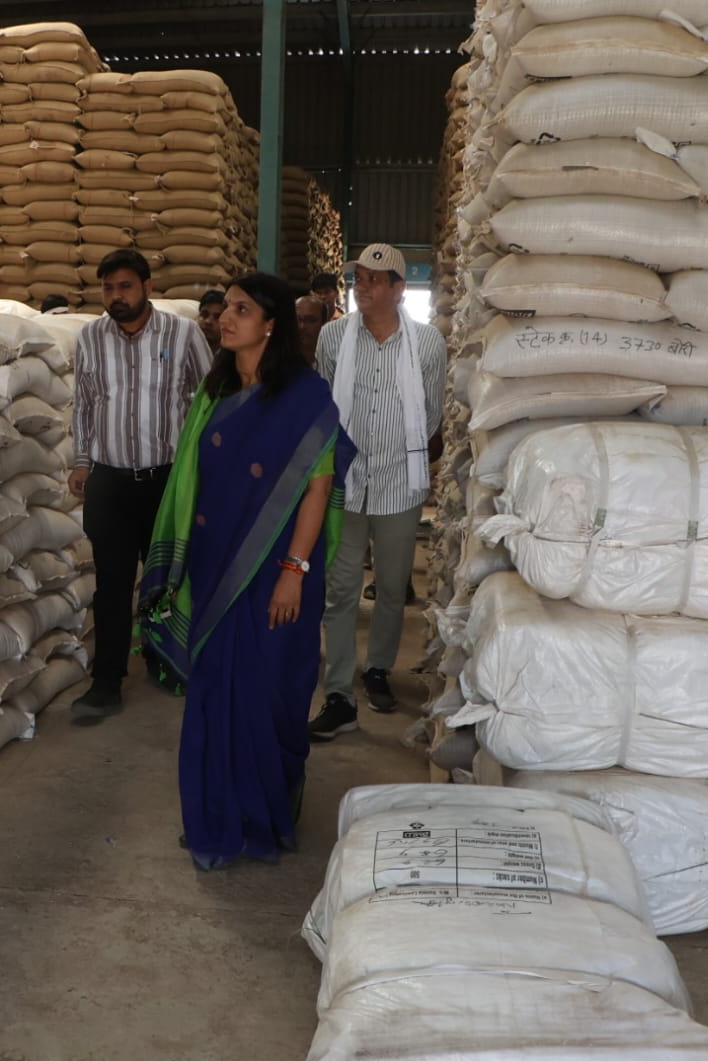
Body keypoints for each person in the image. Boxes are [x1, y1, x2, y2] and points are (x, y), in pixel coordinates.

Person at [139, 272, 356, 870]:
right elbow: (191, 479)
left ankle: (263, 817)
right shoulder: (213, 392)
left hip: (276, 568)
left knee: (269, 691)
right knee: (214, 691)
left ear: (270, 324)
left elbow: (318, 489)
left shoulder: (304, 396)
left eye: (241, 309)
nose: (225, 318)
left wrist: (294, 569)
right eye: (225, 308)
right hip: (214, 564)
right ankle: (214, 817)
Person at [308, 243, 447, 741]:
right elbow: (323, 404)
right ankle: (339, 693)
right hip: (345, 483)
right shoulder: (333, 336)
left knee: (391, 588)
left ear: (398, 289)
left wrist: (400, 451)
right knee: (341, 589)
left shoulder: (426, 343)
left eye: (373, 279)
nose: (361, 286)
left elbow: (431, 413)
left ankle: (378, 670)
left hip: (398, 485)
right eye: (358, 277)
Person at [69, 249, 213, 715]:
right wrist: (81, 461)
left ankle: (163, 658)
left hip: (164, 481)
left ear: (147, 288)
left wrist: (204, 465)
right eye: (109, 288)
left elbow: (210, 396)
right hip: (109, 481)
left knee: (164, 580)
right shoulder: (89, 338)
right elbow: (83, 405)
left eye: (125, 286)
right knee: (111, 584)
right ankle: (106, 680)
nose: (116, 296)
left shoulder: (183, 333)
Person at [295, 294, 326, 366]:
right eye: (298, 320)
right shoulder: (281, 360)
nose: (302, 326)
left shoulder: (333, 359)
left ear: (324, 323)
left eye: (310, 320)